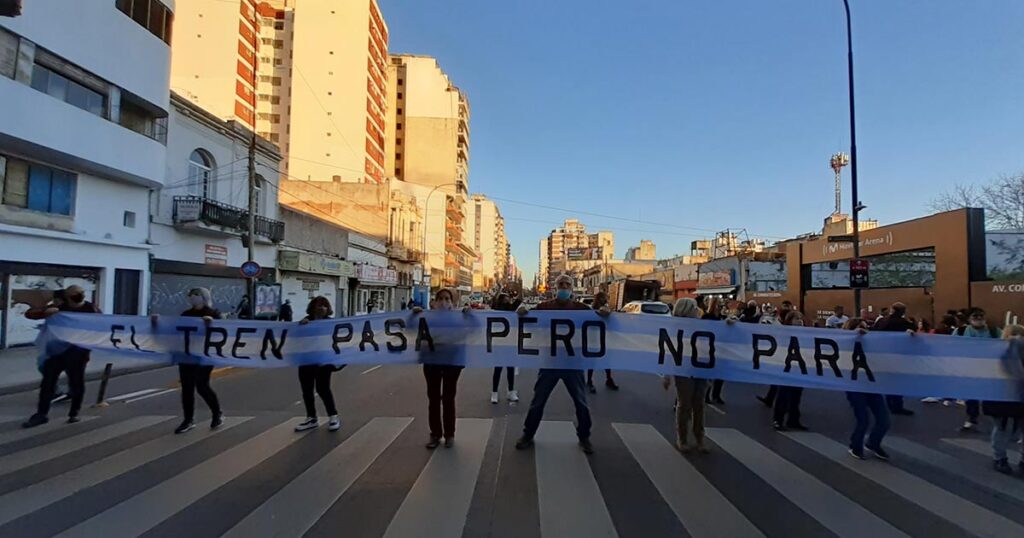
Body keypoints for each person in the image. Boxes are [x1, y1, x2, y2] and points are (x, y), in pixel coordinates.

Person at [515, 274, 607, 454]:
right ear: (555, 288)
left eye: (567, 284)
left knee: (580, 402)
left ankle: (584, 437)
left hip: (573, 363)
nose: (564, 287)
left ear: (572, 288)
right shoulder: (545, 307)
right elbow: (528, 315)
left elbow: (599, 319)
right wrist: (522, 310)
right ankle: (528, 434)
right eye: (561, 284)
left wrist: (606, 312)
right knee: (538, 401)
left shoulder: (582, 309)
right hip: (550, 362)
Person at [22, 285, 100, 428]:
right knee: (48, 382)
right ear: (67, 296)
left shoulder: (91, 309)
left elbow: (103, 325)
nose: (79, 296)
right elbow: (30, 314)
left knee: (76, 383)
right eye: (75, 294)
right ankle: (41, 414)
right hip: (57, 351)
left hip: (78, 353)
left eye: (81, 293)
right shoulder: (60, 307)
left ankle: (74, 413)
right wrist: (46, 311)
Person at [166, 288, 225, 434]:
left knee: (201, 385)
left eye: (197, 295)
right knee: (187, 388)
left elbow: (222, 332)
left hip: (204, 355)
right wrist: (156, 322)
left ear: (204, 297)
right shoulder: (186, 314)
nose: (193, 298)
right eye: (191, 295)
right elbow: (175, 331)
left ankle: (217, 413)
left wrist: (211, 324)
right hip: (187, 355)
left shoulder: (213, 314)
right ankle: (188, 420)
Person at [417, 289, 469, 449]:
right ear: (434, 301)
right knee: (433, 399)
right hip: (432, 363)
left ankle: (449, 435)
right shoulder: (427, 318)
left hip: (451, 364)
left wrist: (470, 315)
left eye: (447, 298)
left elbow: (475, 329)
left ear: (453, 302)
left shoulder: (459, 319)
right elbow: (411, 329)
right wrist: (414, 315)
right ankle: (435, 434)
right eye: (440, 298)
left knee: (448, 398)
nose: (443, 302)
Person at [662, 298, 710, 453]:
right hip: (683, 369)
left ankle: (699, 438)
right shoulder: (675, 328)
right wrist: (667, 374)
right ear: (685, 310)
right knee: (685, 405)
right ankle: (682, 438)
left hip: (700, 368)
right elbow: (669, 350)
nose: (697, 311)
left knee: (699, 405)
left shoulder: (702, 325)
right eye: (694, 308)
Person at [843, 318, 892, 460]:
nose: (863, 329)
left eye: (865, 327)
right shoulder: (845, 343)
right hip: (854, 386)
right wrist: (853, 336)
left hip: (871, 385)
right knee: (863, 419)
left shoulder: (873, 344)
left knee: (884, 419)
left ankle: (873, 443)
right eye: (859, 327)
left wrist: (907, 336)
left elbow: (891, 346)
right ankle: (855, 445)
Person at [294, 296, 341, 432]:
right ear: (313, 307)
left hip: (323, 363)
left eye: (324, 305)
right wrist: (300, 327)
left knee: (323, 389)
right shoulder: (305, 322)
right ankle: (311, 418)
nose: (321, 308)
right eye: (318, 305)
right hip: (306, 362)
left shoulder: (331, 324)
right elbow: (294, 340)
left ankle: (333, 416)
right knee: (307, 390)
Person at [984, 324, 1024, 474]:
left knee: (1003, 429)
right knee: (1003, 428)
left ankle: (1000, 459)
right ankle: (1001, 458)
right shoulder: (997, 352)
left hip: (1007, 397)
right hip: (1004, 397)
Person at [956, 307, 1001, 432]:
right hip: (969, 369)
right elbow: (947, 345)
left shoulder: (994, 331)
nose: (979, 318)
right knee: (971, 395)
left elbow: (1006, 342)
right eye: (975, 316)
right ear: (969, 319)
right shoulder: (960, 331)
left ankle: (997, 422)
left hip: (990, 369)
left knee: (991, 395)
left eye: (981, 316)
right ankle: (972, 418)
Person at [872, 302, 916, 416]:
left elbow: (873, 333)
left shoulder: (881, 321)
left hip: (882, 355)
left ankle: (888, 405)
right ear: (902, 312)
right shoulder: (903, 322)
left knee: (887, 380)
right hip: (898, 356)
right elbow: (914, 331)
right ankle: (897, 406)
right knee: (897, 382)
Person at [772, 310, 809, 431]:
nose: (799, 321)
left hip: (798, 369)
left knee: (796, 397)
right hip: (785, 369)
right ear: (789, 321)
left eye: (800, 318)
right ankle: (778, 419)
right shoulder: (783, 333)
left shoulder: (806, 334)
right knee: (783, 395)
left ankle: (793, 420)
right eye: (796, 319)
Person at [757, 300, 793, 407]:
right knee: (779, 379)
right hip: (781, 353)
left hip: (789, 354)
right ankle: (771, 399)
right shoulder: (776, 321)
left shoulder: (793, 321)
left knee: (784, 381)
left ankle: (782, 403)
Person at [489, 293, 520, 404]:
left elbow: (518, 302)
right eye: (505, 298)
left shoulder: (511, 310)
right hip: (499, 343)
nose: (508, 300)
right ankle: (494, 392)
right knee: (498, 369)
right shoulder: (496, 309)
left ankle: (511, 391)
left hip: (510, 342)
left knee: (510, 368)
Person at [587, 291, 619, 392]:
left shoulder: (605, 309)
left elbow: (607, 314)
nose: (606, 300)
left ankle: (608, 379)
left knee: (606, 360)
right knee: (592, 362)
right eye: (604, 298)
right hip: (593, 339)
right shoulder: (592, 310)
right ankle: (589, 381)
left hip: (603, 338)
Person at [702, 297, 726, 405]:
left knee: (720, 374)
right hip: (708, 348)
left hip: (720, 349)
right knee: (709, 374)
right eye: (718, 305)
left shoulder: (722, 317)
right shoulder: (707, 317)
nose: (720, 307)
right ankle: (706, 394)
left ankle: (716, 395)